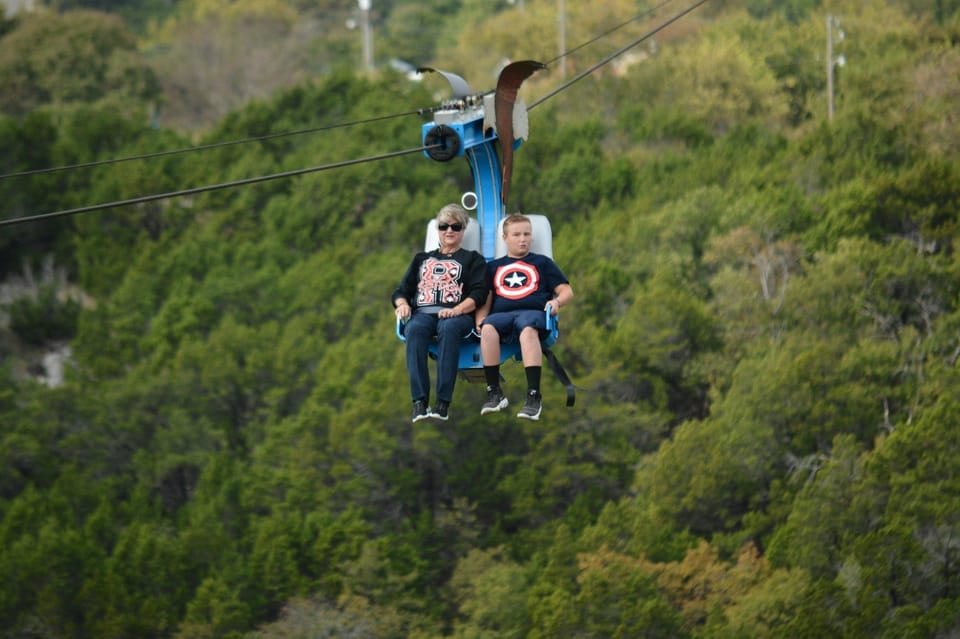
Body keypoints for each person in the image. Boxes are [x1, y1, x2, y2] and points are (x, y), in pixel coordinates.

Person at [393, 203, 488, 422]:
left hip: (458, 314)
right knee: (414, 329)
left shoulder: (473, 259)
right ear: (438, 229)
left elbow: (480, 292)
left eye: (455, 226)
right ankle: (419, 402)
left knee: (448, 327)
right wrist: (402, 304)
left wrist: (457, 310)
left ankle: (443, 402)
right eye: (444, 226)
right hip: (423, 313)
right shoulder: (421, 259)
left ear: (463, 229)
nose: (449, 231)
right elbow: (401, 291)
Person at [475, 214, 574, 420]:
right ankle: (494, 391)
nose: (523, 239)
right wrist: (480, 319)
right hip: (502, 315)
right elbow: (486, 298)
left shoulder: (542, 263)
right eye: (517, 235)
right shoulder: (493, 267)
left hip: (532, 313)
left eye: (527, 234)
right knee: (488, 328)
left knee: (528, 330)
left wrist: (557, 302)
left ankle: (533, 395)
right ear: (505, 238)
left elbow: (566, 291)